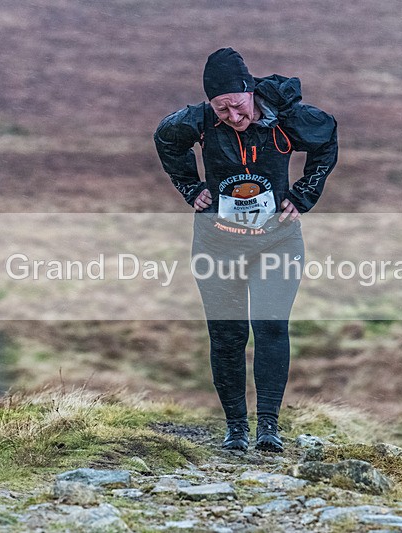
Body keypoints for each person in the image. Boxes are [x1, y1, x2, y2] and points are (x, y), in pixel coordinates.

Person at [154, 48, 338, 452]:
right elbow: (165, 138)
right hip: (217, 244)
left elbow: (326, 138)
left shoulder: (286, 119)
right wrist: (190, 187)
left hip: (277, 241)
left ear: (249, 90)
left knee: (270, 326)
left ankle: (268, 427)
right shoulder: (198, 122)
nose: (233, 117)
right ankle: (235, 429)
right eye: (221, 110)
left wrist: (304, 195)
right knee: (227, 333)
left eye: (237, 106)